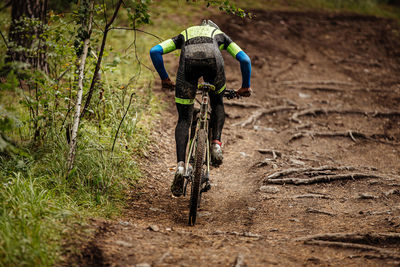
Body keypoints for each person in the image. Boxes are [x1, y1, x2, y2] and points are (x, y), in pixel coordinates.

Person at [150, 19, 252, 197]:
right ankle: (216, 145)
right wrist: (245, 86)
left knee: (183, 118)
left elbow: (155, 51)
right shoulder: (219, 35)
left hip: (187, 65)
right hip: (214, 64)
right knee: (218, 101)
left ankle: (181, 167)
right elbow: (245, 59)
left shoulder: (185, 34)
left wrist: (165, 78)